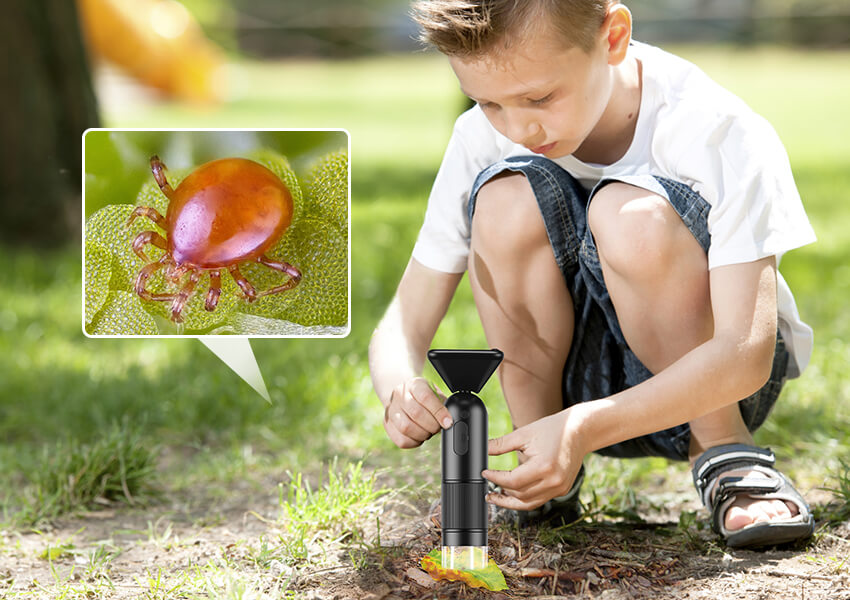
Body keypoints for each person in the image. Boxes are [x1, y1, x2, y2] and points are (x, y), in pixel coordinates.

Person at [368, 0, 816, 548]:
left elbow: (744, 354)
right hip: (564, 395)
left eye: (539, 97)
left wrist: (583, 429)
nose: (518, 127)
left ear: (613, 36)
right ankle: (535, 470)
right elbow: (402, 324)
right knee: (505, 199)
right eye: (487, 102)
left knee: (630, 218)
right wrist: (399, 387)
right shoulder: (479, 138)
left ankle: (725, 454)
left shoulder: (714, 129)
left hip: (712, 378)